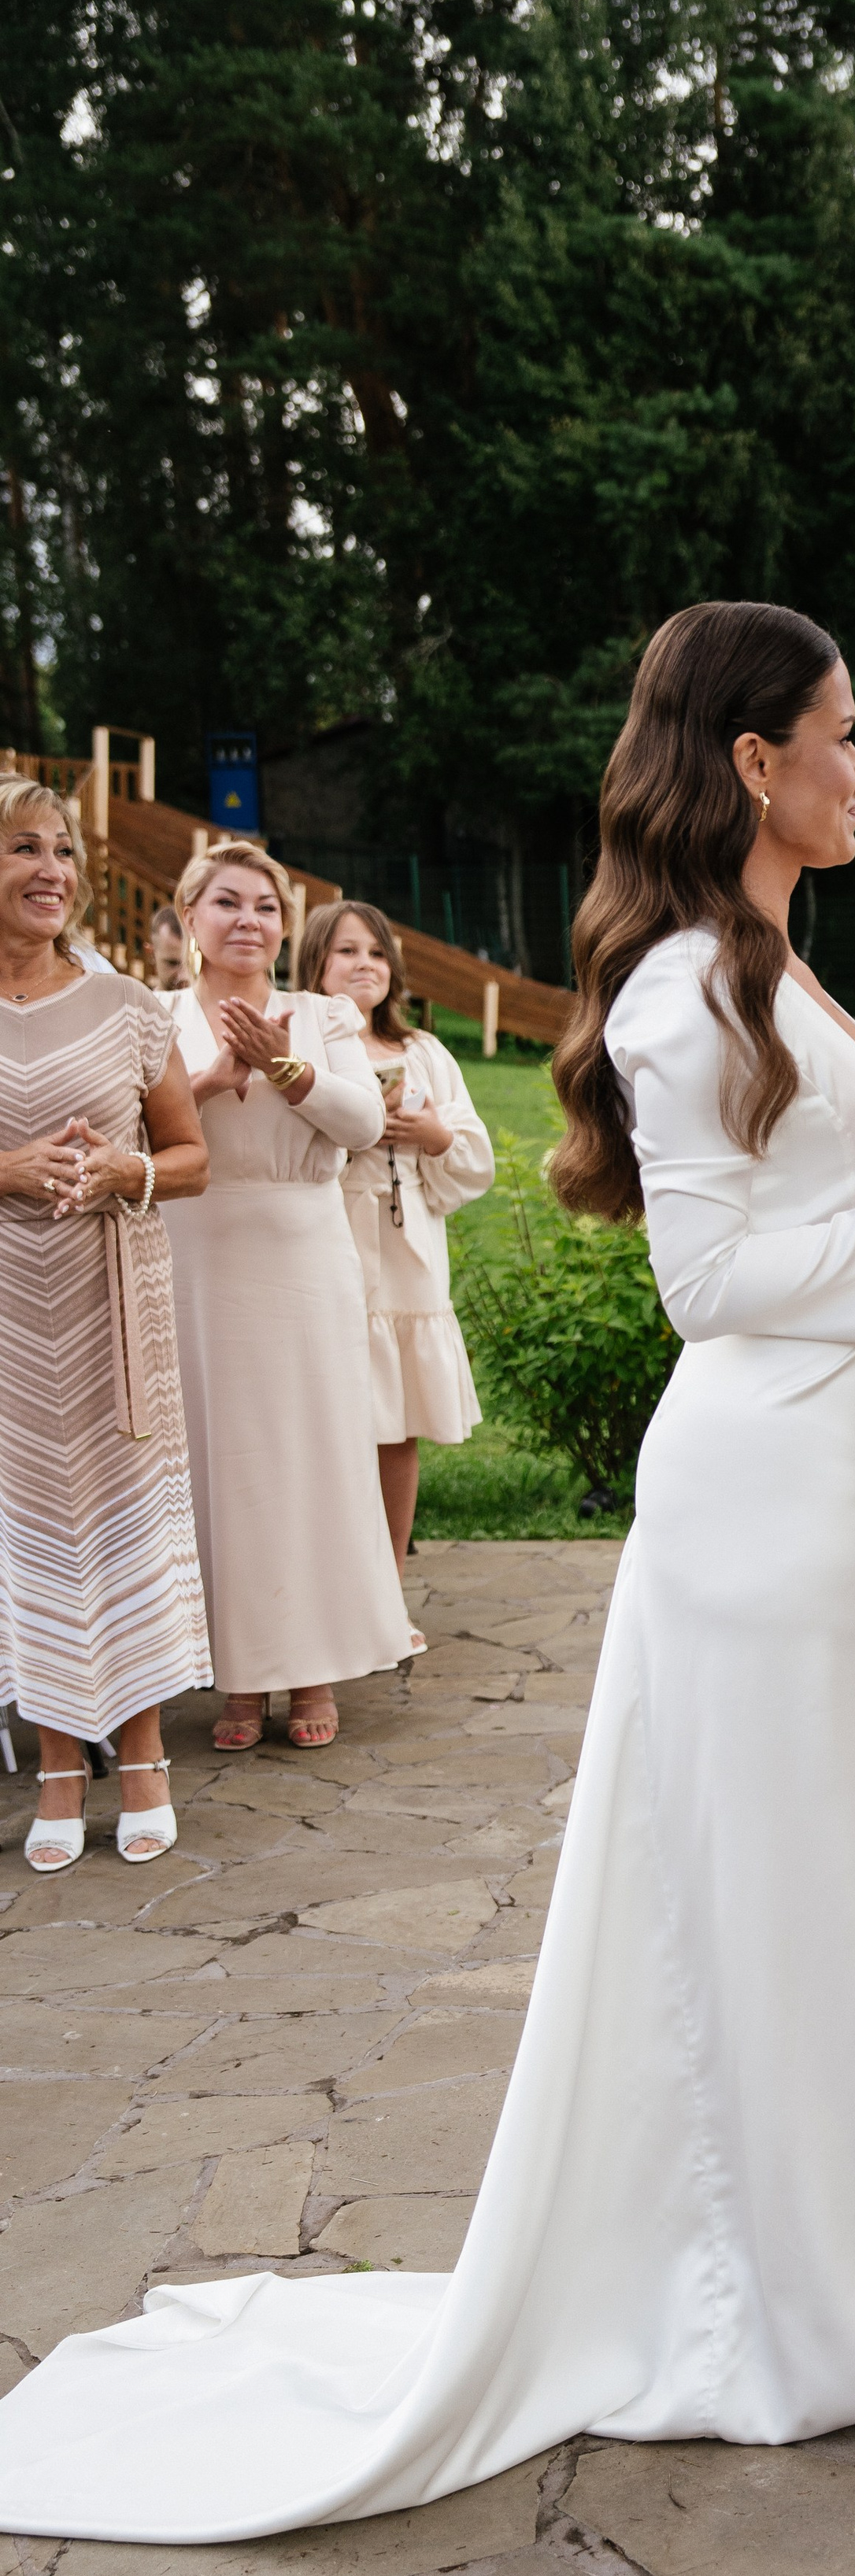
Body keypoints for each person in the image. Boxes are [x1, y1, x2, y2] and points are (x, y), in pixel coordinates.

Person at [0, 597, 855, 2543]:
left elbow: (827, 1212)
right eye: (840, 737)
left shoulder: (780, 959)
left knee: (825, 1884)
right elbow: (712, 1285)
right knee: (765, 1895)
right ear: (751, 759)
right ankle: (773, 2303)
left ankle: (825, 2269)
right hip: (752, 1511)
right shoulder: (686, 987)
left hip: (820, 1504)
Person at [0, 782, 211, 1870]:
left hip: (108, 1305)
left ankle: (141, 1757)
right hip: (3, 1325)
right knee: (25, 1537)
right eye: (23, 849)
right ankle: (56, 1763)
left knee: (123, 1522)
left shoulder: (131, 1005)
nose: (52, 870)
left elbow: (192, 1158)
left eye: (64, 851)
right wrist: (9, 1169)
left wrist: (128, 1166)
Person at [166, 841, 412, 1752]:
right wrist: (203, 1082)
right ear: (189, 915)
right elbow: (132, 1129)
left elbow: (364, 1123)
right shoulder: (155, 1017)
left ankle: (311, 1668)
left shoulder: (321, 1014)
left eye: (266, 907)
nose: (247, 921)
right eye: (226, 903)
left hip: (301, 1249)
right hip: (197, 1253)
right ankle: (239, 1677)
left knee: (307, 1459)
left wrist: (284, 1067)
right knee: (226, 1466)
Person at [306, 902, 494, 1568]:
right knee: (332, 1416)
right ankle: (334, 1580)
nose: (364, 965)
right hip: (332, 1240)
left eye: (377, 953)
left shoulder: (423, 1052)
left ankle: (386, 1583)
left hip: (408, 1243)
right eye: (347, 951)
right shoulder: (301, 1047)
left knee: (396, 1420)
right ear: (315, 965)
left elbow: (472, 1158)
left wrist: (434, 1135)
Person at [149, 902, 186, 992]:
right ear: (152, 955)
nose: (184, 976)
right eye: (173, 963)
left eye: (191, 963)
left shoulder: (218, 1005)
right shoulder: (141, 1006)